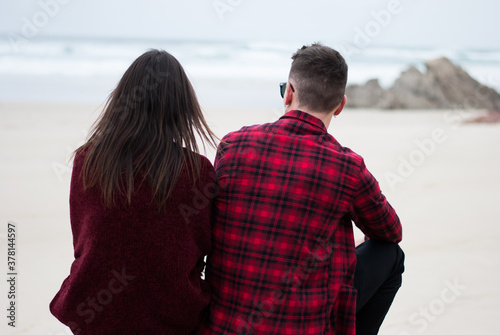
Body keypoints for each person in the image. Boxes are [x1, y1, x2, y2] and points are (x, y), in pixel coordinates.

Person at [199, 43, 404, 335]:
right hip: (302, 326)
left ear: (289, 93)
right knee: (392, 255)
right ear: (340, 105)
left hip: (223, 326)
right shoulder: (348, 167)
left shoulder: (233, 144)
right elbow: (391, 232)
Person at [50, 49, 218, 334]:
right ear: (181, 107)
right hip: (172, 317)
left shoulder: (88, 160)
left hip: (94, 315)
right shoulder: (198, 171)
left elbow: (84, 240)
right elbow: (202, 247)